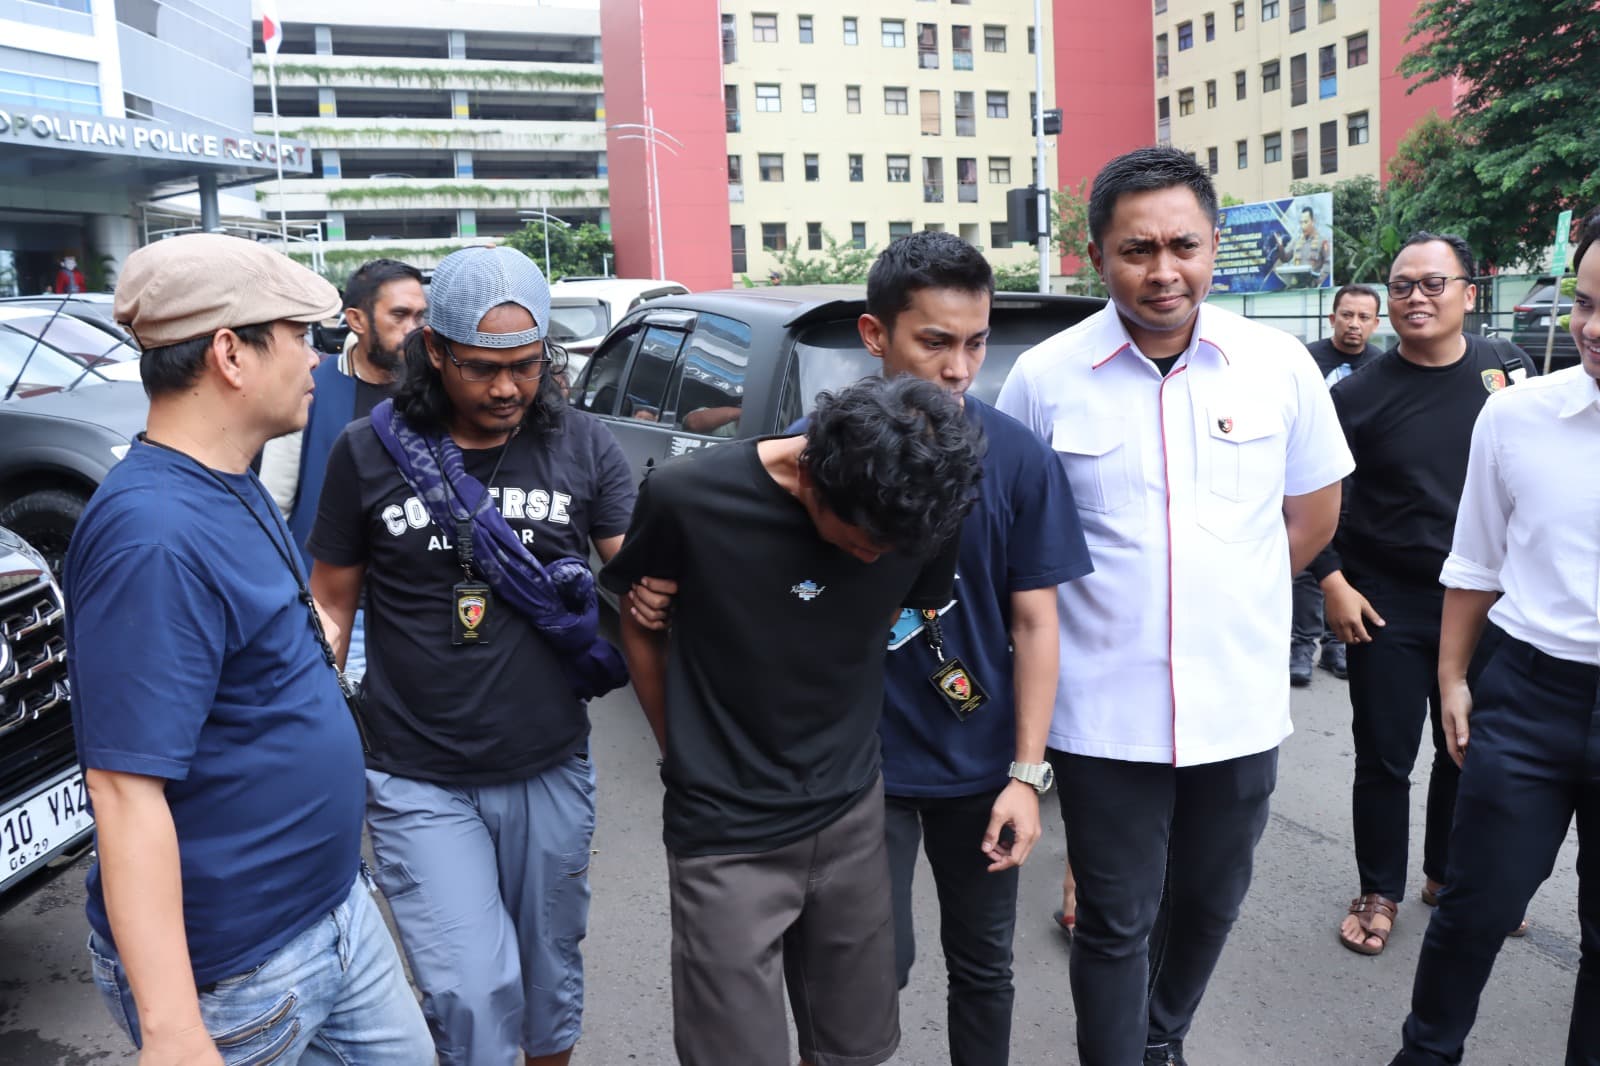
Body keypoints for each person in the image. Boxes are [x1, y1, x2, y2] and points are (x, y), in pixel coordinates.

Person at [996, 146, 1352, 1066]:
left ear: (1213, 243)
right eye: (1137, 249)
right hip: (1103, 713)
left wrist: (1219, 590)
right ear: (1097, 254)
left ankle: (1164, 1039)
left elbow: (1310, 517)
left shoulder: (1276, 366)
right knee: (1115, 919)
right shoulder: (1045, 377)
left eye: (1184, 246)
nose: (1164, 271)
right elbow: (1017, 539)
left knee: (1210, 902)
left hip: (1237, 706)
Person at [65, 233, 431, 1065]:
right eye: (299, 335)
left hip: (333, 908)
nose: (318, 356)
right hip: (240, 970)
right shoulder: (151, 537)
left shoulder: (231, 477)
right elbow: (123, 792)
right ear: (231, 353)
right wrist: (172, 1029)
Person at [308, 247, 634, 1066]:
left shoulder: (584, 446)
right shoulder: (367, 451)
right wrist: (311, 747)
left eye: (526, 368)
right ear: (435, 354)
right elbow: (331, 605)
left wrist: (659, 592)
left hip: (548, 763)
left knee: (548, 979)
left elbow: (637, 581)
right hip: (416, 771)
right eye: (483, 369)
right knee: (469, 989)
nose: (506, 390)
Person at [601, 374, 984, 1066]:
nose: (875, 557)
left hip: (853, 812)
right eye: (862, 540)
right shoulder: (690, 498)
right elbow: (637, 624)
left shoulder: (926, 512)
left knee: (857, 1050)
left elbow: (903, 611)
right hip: (726, 833)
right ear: (813, 474)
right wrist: (682, 753)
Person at [855, 233, 1093, 1065]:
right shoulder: (818, 453)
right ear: (875, 335)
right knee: (869, 966)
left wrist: (1028, 776)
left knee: (984, 967)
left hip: (982, 768)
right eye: (935, 341)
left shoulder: (1019, 457)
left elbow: (1036, 623)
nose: (960, 368)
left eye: (976, 342)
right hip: (858, 767)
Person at [1387, 211, 1600, 1065]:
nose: (1592, 328)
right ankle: (1428, 1051)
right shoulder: (1519, 417)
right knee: (1475, 906)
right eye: (1584, 303)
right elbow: (1474, 560)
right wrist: (1453, 679)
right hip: (1528, 695)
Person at [1313, 233, 1536, 956]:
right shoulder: (1359, 396)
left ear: (1471, 294)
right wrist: (1333, 579)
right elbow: (1316, 501)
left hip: (1490, 601)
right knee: (1385, 755)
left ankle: (1446, 874)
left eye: (1434, 284)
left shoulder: (1508, 370)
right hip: (1386, 601)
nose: (1417, 297)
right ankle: (1380, 888)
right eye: (1403, 285)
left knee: (1466, 746)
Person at [260, 258, 426, 680]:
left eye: (421, 315)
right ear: (356, 319)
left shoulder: (436, 393)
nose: (416, 328)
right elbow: (274, 504)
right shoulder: (312, 386)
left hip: (420, 614)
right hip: (332, 611)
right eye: (400, 315)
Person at [1290, 283, 1385, 686]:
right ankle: (1301, 646)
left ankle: (1337, 643)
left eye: (1364, 317)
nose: (1354, 324)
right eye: (1347, 315)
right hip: (1315, 477)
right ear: (1332, 318)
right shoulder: (1306, 361)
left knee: (1346, 559)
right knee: (1313, 560)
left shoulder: (1383, 366)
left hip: (1362, 480)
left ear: (1376, 324)